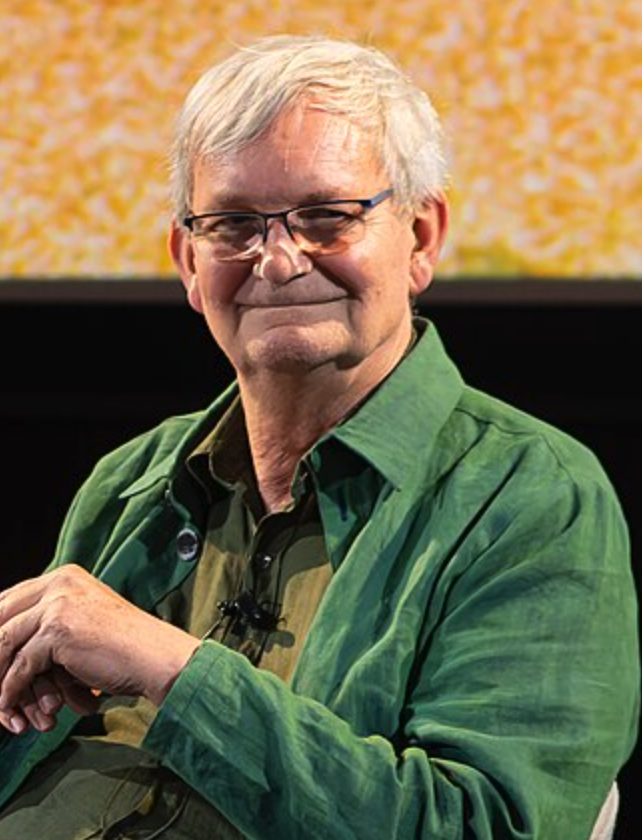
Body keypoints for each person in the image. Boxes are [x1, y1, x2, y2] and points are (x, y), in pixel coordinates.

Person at [0, 33, 638, 840]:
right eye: (232, 223)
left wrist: (169, 666)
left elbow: (483, 826)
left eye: (327, 217)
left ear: (421, 238)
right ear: (188, 262)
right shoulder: (132, 476)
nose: (276, 260)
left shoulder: (531, 495)